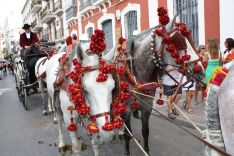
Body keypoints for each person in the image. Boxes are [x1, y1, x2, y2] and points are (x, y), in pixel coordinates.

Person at [114, 37, 141, 119]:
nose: (126, 45)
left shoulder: (128, 53)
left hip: (129, 76)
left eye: (126, 44)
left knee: (136, 93)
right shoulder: (120, 55)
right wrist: (134, 83)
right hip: (123, 79)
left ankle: (135, 111)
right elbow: (126, 72)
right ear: (121, 45)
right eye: (124, 44)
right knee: (134, 93)